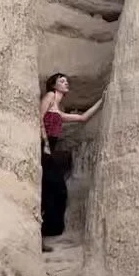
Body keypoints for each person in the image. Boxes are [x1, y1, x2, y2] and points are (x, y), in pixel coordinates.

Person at [40, 73, 103, 252]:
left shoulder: (58, 111)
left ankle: (44, 232)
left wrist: (103, 100)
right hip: (43, 148)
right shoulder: (50, 96)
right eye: (61, 80)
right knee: (52, 188)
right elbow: (39, 117)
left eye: (66, 81)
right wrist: (44, 144)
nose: (65, 82)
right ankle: (40, 235)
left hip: (48, 149)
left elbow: (83, 118)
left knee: (55, 190)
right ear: (53, 85)